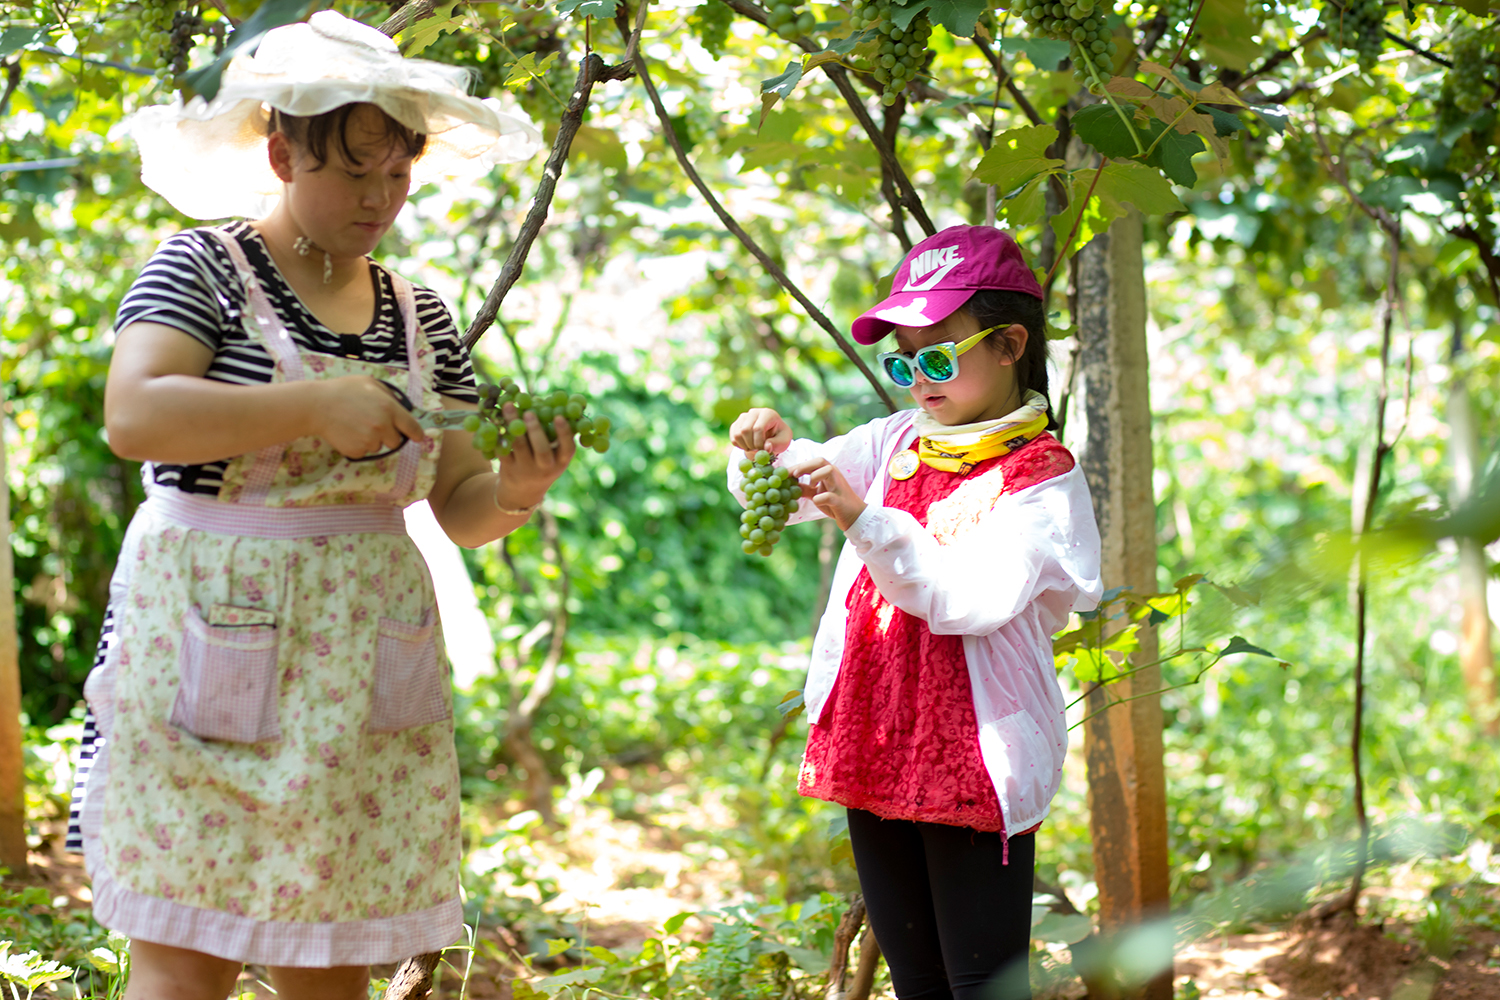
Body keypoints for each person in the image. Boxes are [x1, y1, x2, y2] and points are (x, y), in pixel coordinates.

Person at [70, 12, 554, 998]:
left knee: (333, 951)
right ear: (283, 154)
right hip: (206, 640)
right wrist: (311, 406)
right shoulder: (201, 267)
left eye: (398, 174)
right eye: (354, 172)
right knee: (185, 952)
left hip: (359, 669)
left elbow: (460, 503)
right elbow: (134, 415)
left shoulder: (421, 313)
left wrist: (518, 490)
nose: (379, 199)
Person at [729, 225, 1103, 1000]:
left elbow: (970, 598)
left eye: (938, 358)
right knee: (916, 980)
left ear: (1009, 345)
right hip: (877, 730)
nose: (917, 381)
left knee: (981, 981)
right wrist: (766, 449)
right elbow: (790, 492)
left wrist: (864, 519)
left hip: (972, 752)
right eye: (903, 362)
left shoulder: (1039, 476)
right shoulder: (899, 438)